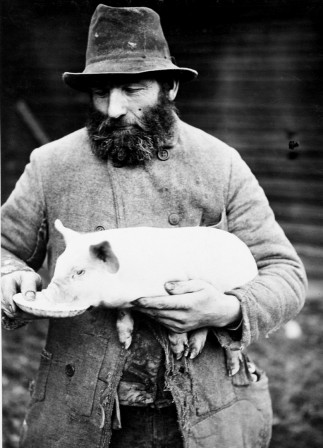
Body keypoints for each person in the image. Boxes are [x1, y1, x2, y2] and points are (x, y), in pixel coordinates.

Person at [1, 5, 307, 448]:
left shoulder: (218, 162)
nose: (114, 109)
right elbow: (4, 247)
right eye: (101, 91)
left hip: (202, 409)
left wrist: (227, 309)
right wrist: (12, 275)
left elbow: (285, 273)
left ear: (171, 87)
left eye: (133, 89)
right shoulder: (52, 165)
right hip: (82, 411)